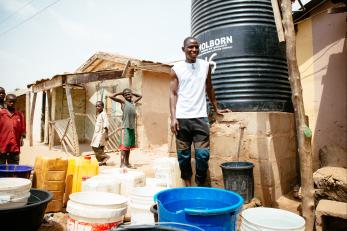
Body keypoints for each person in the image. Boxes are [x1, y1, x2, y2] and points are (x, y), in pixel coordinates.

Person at [170, 36, 230, 186]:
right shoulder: (176, 69)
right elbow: (173, 94)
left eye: (196, 47)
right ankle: (188, 185)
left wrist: (216, 108)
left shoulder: (205, 65)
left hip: (201, 118)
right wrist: (173, 117)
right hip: (182, 118)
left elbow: (209, 88)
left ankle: (199, 184)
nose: (194, 49)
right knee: (183, 156)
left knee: (202, 155)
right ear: (183, 49)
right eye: (190, 47)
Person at [109, 88, 142, 168]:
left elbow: (140, 96)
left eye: (129, 94)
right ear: (123, 96)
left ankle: (127, 163)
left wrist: (131, 92)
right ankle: (122, 163)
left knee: (128, 147)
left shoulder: (133, 102)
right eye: (126, 95)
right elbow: (111, 96)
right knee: (124, 147)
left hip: (131, 127)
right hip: (125, 127)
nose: (128, 95)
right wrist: (121, 93)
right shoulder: (123, 102)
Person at [0, 94, 26, 164]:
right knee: (2, 169)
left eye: (14, 102)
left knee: (14, 169)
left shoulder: (20, 115)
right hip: (2, 146)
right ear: (6, 102)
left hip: (14, 147)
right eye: (10, 101)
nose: (12, 103)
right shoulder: (1, 114)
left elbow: (22, 130)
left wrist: (21, 138)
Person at [90, 101, 110, 166]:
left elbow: (106, 124)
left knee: (95, 147)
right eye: (96, 106)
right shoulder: (99, 114)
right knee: (100, 148)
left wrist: (106, 134)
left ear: (102, 107)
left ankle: (106, 157)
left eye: (99, 106)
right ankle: (103, 162)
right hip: (97, 133)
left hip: (101, 134)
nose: (97, 107)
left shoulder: (103, 114)